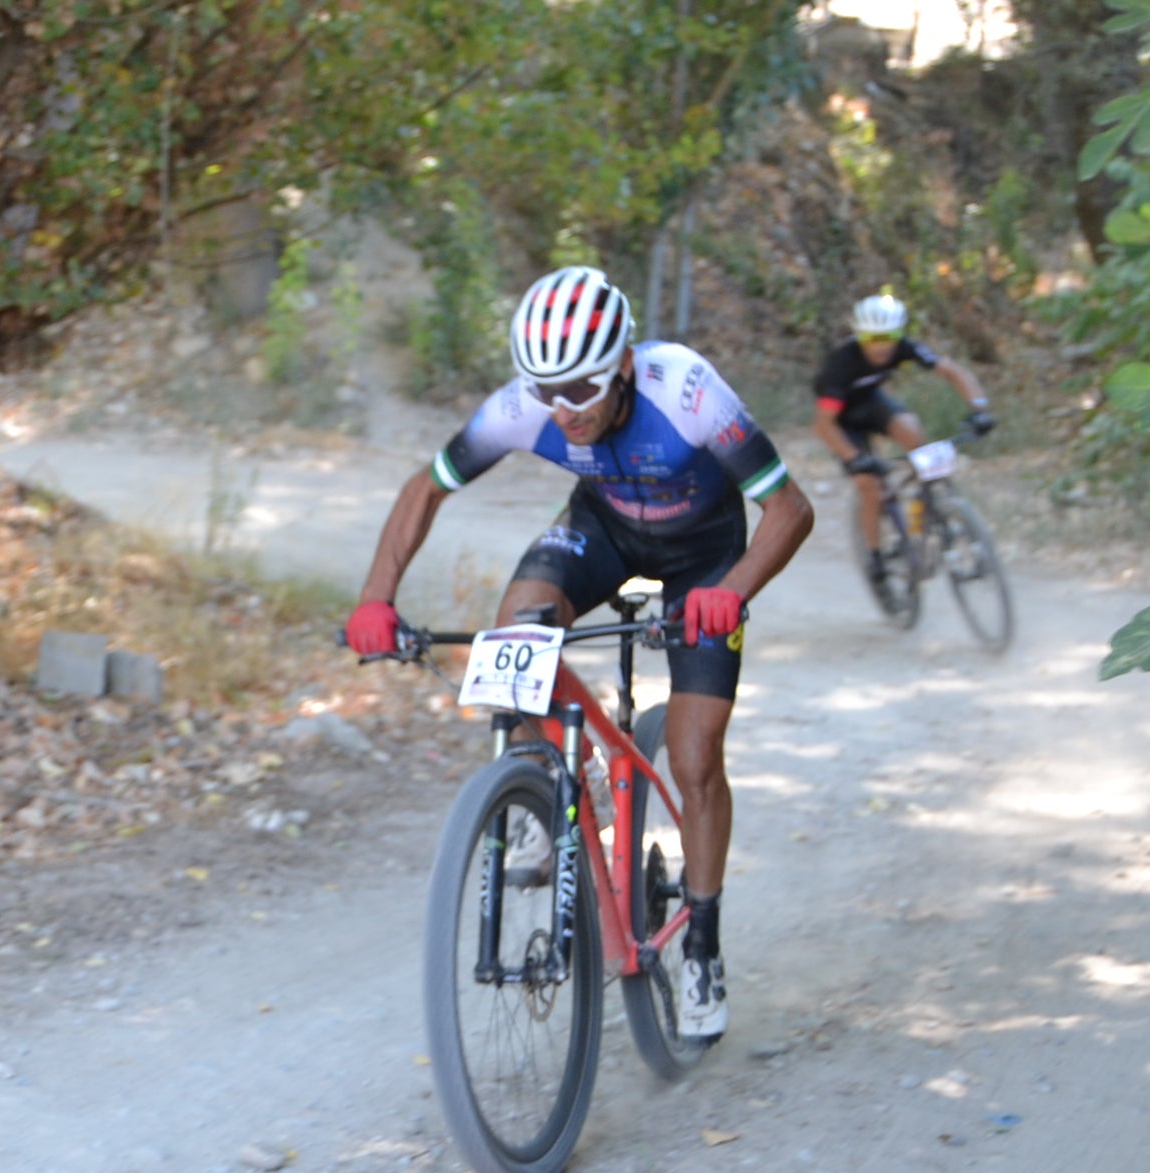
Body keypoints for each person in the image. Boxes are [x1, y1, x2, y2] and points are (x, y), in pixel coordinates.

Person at [344, 266, 815, 1039]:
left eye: (582, 391)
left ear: (625, 365)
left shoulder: (687, 390)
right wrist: (375, 596)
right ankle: (570, 779)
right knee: (513, 633)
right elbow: (425, 487)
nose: (564, 411)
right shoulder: (523, 407)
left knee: (695, 757)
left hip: (706, 556)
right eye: (547, 391)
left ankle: (700, 943)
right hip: (602, 530)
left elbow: (790, 508)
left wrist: (732, 589)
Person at [809, 293, 996, 605]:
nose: (882, 345)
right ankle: (876, 558)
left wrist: (980, 408)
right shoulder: (839, 367)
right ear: (859, 336)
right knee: (871, 487)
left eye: (890, 337)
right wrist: (856, 460)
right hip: (842, 423)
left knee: (912, 432)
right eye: (872, 338)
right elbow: (823, 426)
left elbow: (954, 371)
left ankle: (934, 501)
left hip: (871, 403)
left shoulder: (904, 347)